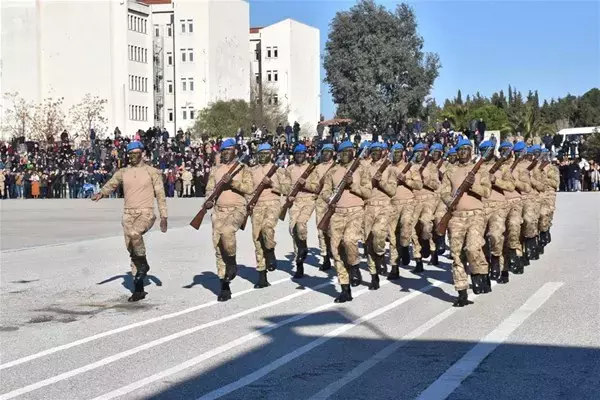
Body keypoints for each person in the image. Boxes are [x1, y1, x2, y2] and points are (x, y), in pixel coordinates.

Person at [92, 141, 168, 302]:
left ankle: (144, 264)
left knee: (135, 234)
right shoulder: (123, 172)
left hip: (146, 213)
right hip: (128, 214)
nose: (132, 157)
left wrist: (164, 216)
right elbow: (111, 184)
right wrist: (101, 193)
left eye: (135, 153)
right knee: (132, 250)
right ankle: (138, 289)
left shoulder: (152, 172)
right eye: (130, 154)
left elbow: (160, 195)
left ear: (142, 154)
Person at [440, 138, 491, 307]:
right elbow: (444, 192)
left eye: (466, 149)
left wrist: (472, 186)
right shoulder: (450, 171)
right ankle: (461, 291)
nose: (463, 153)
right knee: (456, 254)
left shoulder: (480, 169)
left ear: (471, 151)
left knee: (473, 247)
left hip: (476, 215)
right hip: (456, 217)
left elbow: (487, 191)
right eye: (460, 150)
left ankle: (479, 272)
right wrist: (450, 202)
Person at [320, 141, 372, 302]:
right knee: (336, 251)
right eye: (342, 152)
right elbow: (325, 191)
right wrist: (330, 199)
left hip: (355, 211)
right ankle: (345, 288)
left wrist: (353, 185)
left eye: (348, 152)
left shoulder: (361, 169)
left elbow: (368, 193)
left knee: (349, 240)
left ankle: (355, 265)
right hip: (337, 214)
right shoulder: (332, 171)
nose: (345, 155)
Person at [204, 138, 253, 302]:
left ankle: (232, 261)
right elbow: (210, 188)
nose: (226, 154)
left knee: (227, 233)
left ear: (235, 151)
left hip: (237, 209)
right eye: (223, 151)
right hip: (219, 211)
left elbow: (249, 188)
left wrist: (232, 182)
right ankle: (224, 285)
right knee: (218, 247)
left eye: (229, 151)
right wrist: (208, 200)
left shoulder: (243, 169)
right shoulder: (215, 170)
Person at [248, 143, 284, 288]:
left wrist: (272, 184)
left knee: (267, 228)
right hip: (256, 205)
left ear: (271, 154)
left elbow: (287, 188)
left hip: (272, 203)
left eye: (265, 154)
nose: (262, 157)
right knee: (257, 239)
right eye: (260, 154)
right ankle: (262, 275)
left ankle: (270, 250)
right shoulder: (251, 171)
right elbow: (247, 189)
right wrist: (247, 202)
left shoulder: (278, 171)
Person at [363, 142, 396, 289]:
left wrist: (380, 181)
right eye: (373, 151)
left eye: (378, 151)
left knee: (378, 232)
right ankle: (373, 276)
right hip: (368, 207)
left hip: (384, 206)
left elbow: (392, 191)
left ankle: (381, 254)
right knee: (368, 242)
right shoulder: (364, 168)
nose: (376, 153)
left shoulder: (389, 168)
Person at [479, 140, 514, 281]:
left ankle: (500, 264)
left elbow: (511, 186)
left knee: (496, 236)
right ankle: (484, 271)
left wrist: (496, 181)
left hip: (498, 206)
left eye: (488, 150)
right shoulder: (477, 167)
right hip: (481, 206)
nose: (485, 154)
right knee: (480, 242)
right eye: (483, 151)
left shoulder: (503, 167)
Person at [387, 143, 422, 278]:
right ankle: (394, 267)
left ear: (402, 153)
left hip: (408, 203)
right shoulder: (388, 169)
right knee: (392, 235)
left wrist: (405, 179)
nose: (396, 156)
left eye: (398, 153)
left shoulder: (411, 168)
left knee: (407, 227)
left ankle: (407, 249)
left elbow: (418, 185)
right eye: (394, 153)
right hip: (393, 204)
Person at [282, 144, 316, 278]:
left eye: (302, 154)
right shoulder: (290, 169)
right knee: (292, 229)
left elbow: (317, 187)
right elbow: (284, 186)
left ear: (306, 154)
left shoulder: (311, 169)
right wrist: (288, 194)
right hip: (294, 201)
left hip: (308, 200)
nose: (300, 156)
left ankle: (304, 246)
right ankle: (299, 262)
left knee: (300, 225)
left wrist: (305, 184)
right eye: (297, 154)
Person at [305, 143, 336, 271]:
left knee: (334, 230)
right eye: (324, 152)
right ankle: (325, 257)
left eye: (329, 151)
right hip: (321, 201)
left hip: (335, 201)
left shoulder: (338, 167)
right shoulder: (317, 168)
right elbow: (311, 185)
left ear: (333, 153)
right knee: (321, 230)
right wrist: (315, 188)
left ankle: (335, 253)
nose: (326, 154)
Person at [411, 143, 440, 272]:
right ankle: (418, 260)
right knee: (412, 229)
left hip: (429, 199)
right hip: (414, 200)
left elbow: (436, 185)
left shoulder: (431, 167)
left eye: (420, 152)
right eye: (416, 152)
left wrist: (425, 180)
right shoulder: (410, 167)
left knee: (426, 223)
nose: (418, 155)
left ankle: (431, 248)